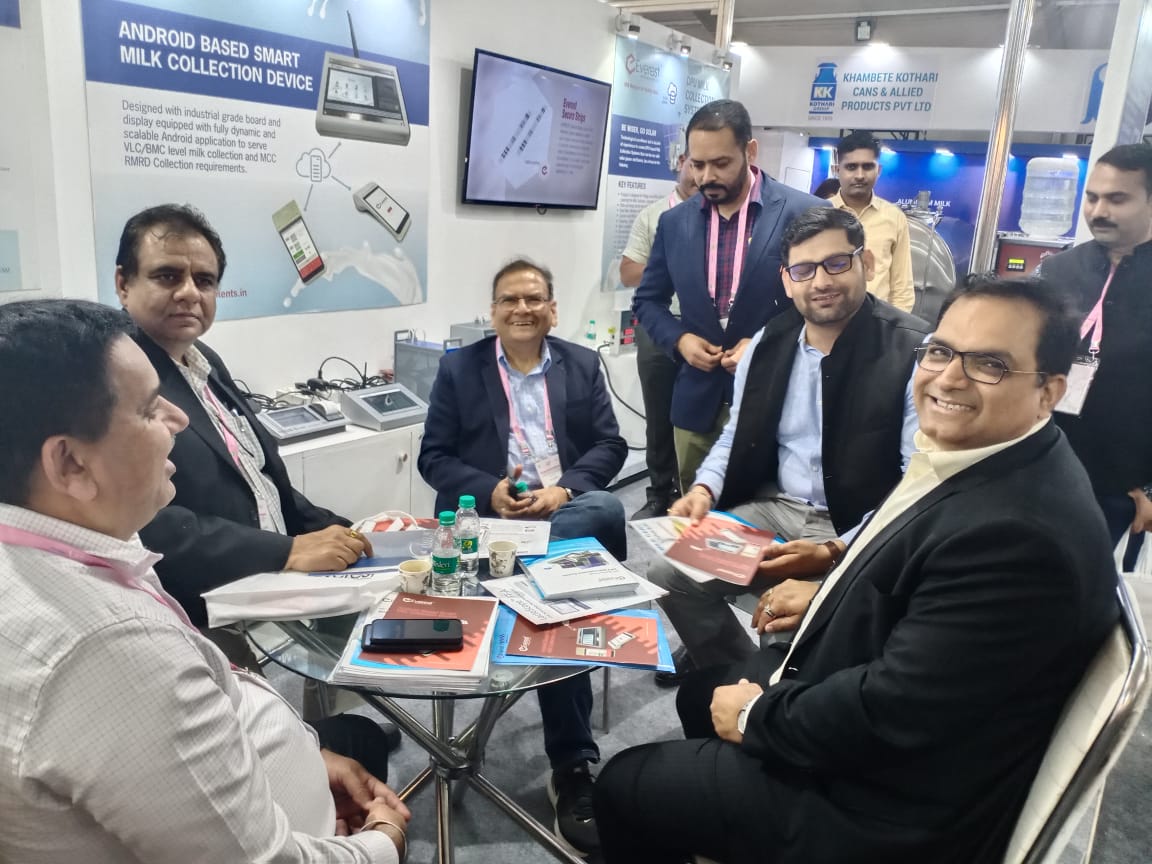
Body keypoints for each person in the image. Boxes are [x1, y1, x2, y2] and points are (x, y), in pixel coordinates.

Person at [593, 275, 1119, 864]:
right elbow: (918, 570)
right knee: (698, 693)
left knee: (625, 782)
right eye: (941, 351)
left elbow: (894, 713)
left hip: (888, 805)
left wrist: (754, 715)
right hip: (887, 685)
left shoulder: (1019, 539)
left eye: (989, 364)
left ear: (1049, 391)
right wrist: (826, 592)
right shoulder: (993, 455)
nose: (949, 378)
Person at [0, 299, 411, 863]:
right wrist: (383, 841)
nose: (179, 420)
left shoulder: (62, 550)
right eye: (150, 408)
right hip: (310, 837)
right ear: (70, 463)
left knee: (353, 736)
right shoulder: (110, 652)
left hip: (265, 771)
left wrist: (303, 753)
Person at [649, 207, 929, 678]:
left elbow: (916, 484)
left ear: (866, 263)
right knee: (671, 574)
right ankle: (741, 679)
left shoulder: (913, 351)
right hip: (776, 509)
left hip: (857, 520)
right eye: (804, 270)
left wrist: (837, 548)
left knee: (782, 619)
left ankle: (777, 688)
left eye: (836, 263)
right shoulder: (767, 344)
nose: (820, 281)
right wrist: (703, 490)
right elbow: (735, 434)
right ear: (786, 279)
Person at [417, 258, 627, 856]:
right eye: (510, 299)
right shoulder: (460, 368)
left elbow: (611, 445)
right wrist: (491, 491)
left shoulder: (581, 363)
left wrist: (563, 491)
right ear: (493, 311)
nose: (522, 309)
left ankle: (571, 765)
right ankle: (556, 582)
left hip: (561, 514)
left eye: (534, 299)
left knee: (595, 516)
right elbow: (434, 457)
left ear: (552, 309)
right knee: (570, 582)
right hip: (489, 523)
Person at [114, 205, 370, 661]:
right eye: (168, 276)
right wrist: (284, 552)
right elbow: (139, 522)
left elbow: (257, 478)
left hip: (269, 583)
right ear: (123, 283)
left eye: (204, 280)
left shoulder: (203, 360)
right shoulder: (117, 377)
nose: (189, 293)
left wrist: (345, 530)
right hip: (197, 608)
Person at [633, 99, 827, 494]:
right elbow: (648, 301)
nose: (707, 177)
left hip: (773, 399)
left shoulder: (804, 213)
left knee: (763, 513)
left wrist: (764, 344)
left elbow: (824, 306)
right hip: (697, 400)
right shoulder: (674, 222)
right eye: (697, 165)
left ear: (750, 151)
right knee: (695, 513)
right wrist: (679, 340)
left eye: (721, 163)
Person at [1039, 143, 1152, 563]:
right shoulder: (1057, 271)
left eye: (1117, 199)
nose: (1098, 211)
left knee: (1092, 589)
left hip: (1124, 489)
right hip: (1041, 467)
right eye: (1092, 197)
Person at [619, 153, 697, 519]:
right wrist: (671, 261)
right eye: (695, 164)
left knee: (701, 414)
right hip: (659, 324)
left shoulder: (724, 218)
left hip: (706, 327)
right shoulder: (652, 216)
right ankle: (659, 492)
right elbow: (628, 272)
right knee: (659, 415)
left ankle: (693, 493)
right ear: (681, 161)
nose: (701, 174)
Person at [830, 131, 915, 312]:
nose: (860, 175)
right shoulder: (821, 212)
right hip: (828, 318)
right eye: (851, 167)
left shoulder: (894, 217)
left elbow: (902, 287)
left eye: (868, 166)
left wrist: (895, 325)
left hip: (878, 321)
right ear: (837, 170)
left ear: (879, 170)